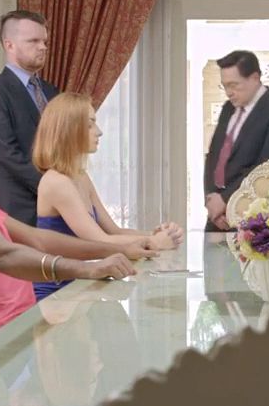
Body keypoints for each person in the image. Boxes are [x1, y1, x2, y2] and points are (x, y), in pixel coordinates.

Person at [0, 86, 154, 364]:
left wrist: (114, 250)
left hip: (20, 324)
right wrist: (87, 268)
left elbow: (36, 238)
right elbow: (4, 254)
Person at [31, 92, 184, 299]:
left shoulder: (80, 176)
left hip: (80, 285)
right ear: (69, 130)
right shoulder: (56, 182)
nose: (99, 132)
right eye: (90, 125)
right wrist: (154, 242)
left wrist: (154, 234)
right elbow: (100, 241)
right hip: (57, 292)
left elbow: (113, 230)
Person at [0, 10, 58, 226]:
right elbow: (6, 153)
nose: (43, 47)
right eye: (33, 41)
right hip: (17, 207)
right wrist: (52, 188)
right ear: (9, 45)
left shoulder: (52, 91)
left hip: (59, 206)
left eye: (44, 41)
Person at [203, 50, 269, 231]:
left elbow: (265, 169)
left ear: (254, 78)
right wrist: (212, 200)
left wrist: (226, 200)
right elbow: (214, 157)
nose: (229, 93)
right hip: (216, 218)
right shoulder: (228, 108)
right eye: (224, 86)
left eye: (234, 85)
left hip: (251, 219)